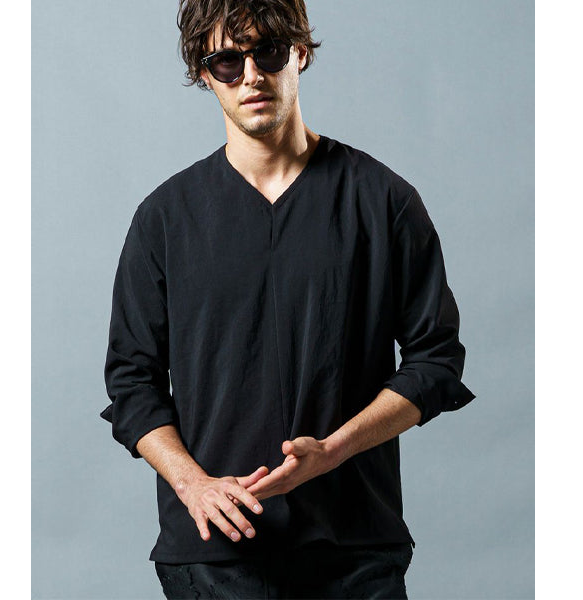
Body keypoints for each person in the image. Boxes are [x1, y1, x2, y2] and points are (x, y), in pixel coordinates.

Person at [101, 1, 476, 598]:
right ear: (204, 74)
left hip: (355, 547)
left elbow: (436, 361)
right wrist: (194, 485)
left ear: (299, 52)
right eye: (227, 61)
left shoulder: (383, 201)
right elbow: (131, 382)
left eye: (268, 52)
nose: (250, 75)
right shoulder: (164, 219)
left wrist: (333, 450)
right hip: (214, 553)